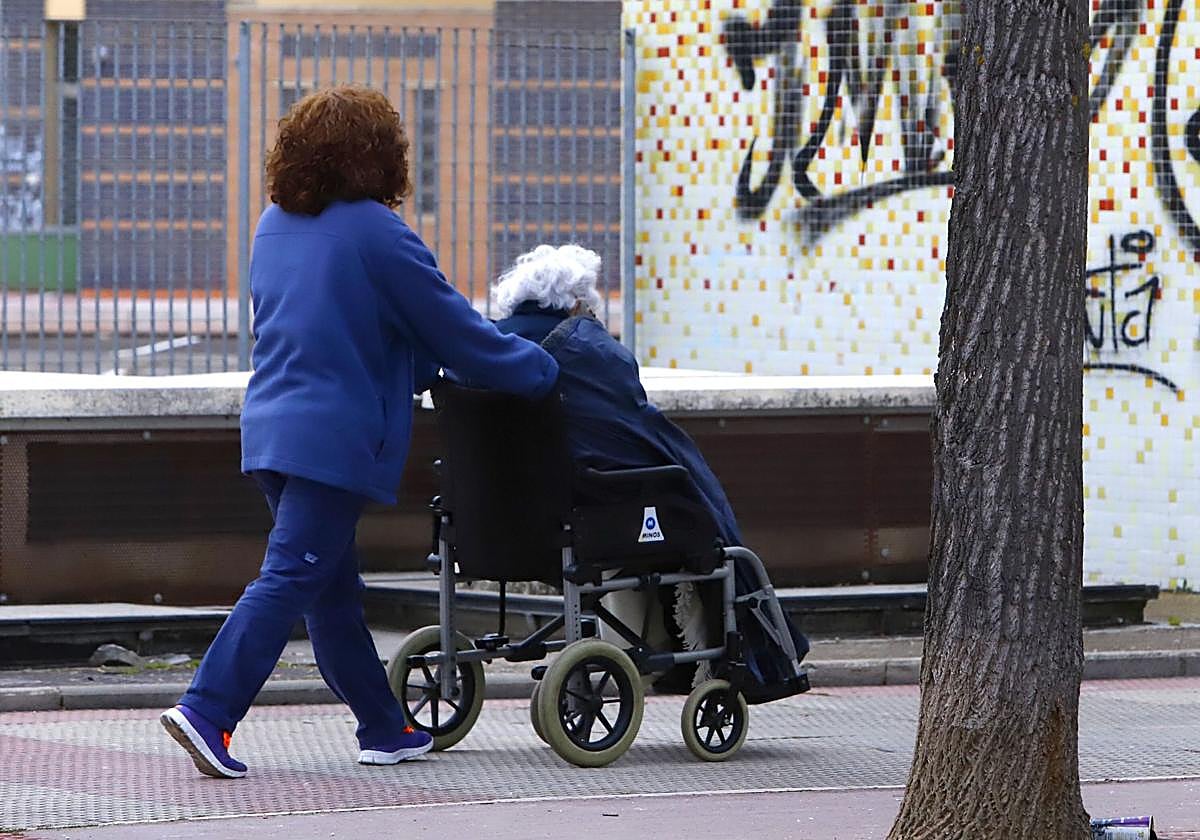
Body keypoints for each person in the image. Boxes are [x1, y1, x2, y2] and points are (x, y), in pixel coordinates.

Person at [160, 86, 559, 779]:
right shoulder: (377, 232)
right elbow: (457, 331)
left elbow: (331, 324)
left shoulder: (274, 224)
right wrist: (544, 368)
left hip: (271, 431)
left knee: (334, 595)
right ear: (378, 157)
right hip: (333, 442)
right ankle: (207, 710)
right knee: (290, 579)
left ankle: (386, 726)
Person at [490, 244, 809, 697]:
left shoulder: (487, 348)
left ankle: (639, 648)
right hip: (592, 512)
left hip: (498, 520)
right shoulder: (591, 352)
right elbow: (634, 435)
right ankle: (710, 659)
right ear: (578, 303)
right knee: (695, 524)